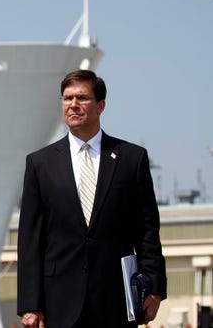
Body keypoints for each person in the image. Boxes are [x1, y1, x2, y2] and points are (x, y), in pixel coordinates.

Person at [16, 69, 167, 328]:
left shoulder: (131, 159)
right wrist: (30, 303)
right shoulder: (40, 163)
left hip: (116, 299)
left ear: (100, 105)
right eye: (67, 98)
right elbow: (30, 240)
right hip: (58, 302)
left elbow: (147, 231)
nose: (73, 105)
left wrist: (154, 289)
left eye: (82, 98)